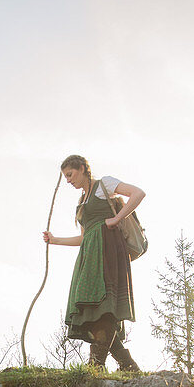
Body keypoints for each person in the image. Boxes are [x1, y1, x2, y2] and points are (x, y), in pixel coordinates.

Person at [42, 155, 145, 371]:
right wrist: (55, 240)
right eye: (65, 177)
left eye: (70, 174)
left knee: (106, 306)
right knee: (91, 308)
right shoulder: (81, 202)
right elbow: (83, 237)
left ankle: (95, 364)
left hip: (109, 251)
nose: (68, 180)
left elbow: (138, 193)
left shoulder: (104, 185)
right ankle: (127, 364)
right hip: (89, 256)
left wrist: (118, 218)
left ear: (82, 169)